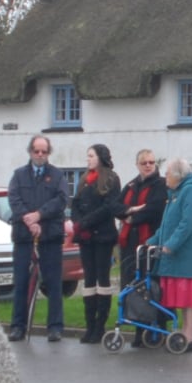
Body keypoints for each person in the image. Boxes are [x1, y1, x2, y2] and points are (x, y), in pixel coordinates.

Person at [6, 134, 69, 342]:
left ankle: (55, 327)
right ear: (30, 152)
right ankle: (17, 326)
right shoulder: (18, 175)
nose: (40, 155)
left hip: (50, 236)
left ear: (48, 153)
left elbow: (61, 200)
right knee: (22, 282)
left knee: (53, 283)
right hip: (24, 236)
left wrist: (39, 215)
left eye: (44, 151)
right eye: (36, 151)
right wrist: (28, 219)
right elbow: (14, 199)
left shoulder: (58, 176)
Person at [152, 158, 192, 351]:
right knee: (181, 299)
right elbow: (166, 225)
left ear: (177, 176)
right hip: (176, 257)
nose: (165, 177)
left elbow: (188, 223)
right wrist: (150, 243)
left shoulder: (191, 191)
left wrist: (171, 246)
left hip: (189, 256)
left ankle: (189, 337)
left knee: (190, 300)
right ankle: (183, 335)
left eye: (167, 173)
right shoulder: (175, 193)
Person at [115, 149, 169, 345]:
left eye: (151, 162)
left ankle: (158, 328)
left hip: (150, 244)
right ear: (137, 164)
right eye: (144, 162)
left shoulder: (160, 185)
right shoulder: (131, 185)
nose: (148, 165)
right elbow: (115, 206)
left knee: (152, 287)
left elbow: (154, 209)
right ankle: (139, 329)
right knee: (133, 287)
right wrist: (129, 210)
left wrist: (131, 216)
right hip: (130, 245)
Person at [70, 143, 122, 345]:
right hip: (86, 237)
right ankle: (89, 325)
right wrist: (77, 222)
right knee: (89, 280)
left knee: (102, 279)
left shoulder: (111, 178)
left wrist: (86, 222)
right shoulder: (84, 179)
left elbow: (109, 206)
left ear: (100, 157)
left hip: (102, 235)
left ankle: (100, 326)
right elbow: (75, 204)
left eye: (91, 156)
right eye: (87, 156)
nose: (88, 159)